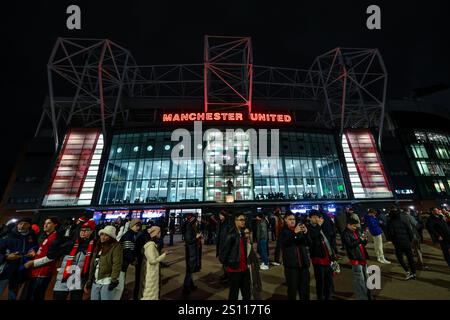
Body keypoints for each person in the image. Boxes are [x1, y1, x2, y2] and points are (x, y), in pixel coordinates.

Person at [53, 219, 96, 300]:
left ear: (92, 232)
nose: (83, 232)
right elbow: (53, 254)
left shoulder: (94, 247)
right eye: (82, 230)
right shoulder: (70, 243)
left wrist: (88, 280)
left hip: (78, 280)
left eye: (87, 230)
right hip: (63, 279)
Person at [0, 217, 38, 300]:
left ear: (29, 225)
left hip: (20, 270)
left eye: (25, 224)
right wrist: (6, 257)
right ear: (17, 225)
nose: (22, 226)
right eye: (20, 224)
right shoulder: (8, 235)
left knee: (13, 292)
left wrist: (33, 250)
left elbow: (35, 246)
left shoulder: (32, 236)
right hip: (6, 269)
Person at [23, 217, 60, 300]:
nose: (45, 225)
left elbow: (51, 257)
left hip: (43, 273)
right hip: (36, 271)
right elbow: (42, 251)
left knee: (36, 296)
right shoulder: (46, 236)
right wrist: (34, 252)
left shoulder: (55, 238)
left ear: (55, 225)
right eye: (45, 223)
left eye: (49, 223)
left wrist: (33, 263)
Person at [84, 225, 123, 300]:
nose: (103, 237)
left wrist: (114, 280)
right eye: (102, 234)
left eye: (106, 235)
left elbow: (117, 264)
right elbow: (93, 263)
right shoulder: (99, 245)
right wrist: (89, 279)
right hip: (96, 280)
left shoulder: (116, 246)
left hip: (107, 280)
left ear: (111, 237)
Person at [279, 211, 311, 300]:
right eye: (290, 219)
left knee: (305, 289)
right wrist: (295, 234)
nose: (292, 221)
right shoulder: (283, 231)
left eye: (293, 219)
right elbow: (285, 243)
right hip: (291, 266)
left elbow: (309, 243)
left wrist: (306, 232)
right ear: (285, 220)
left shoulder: (299, 229)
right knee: (292, 289)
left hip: (303, 264)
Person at [219, 213, 251, 300]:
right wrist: (230, 264)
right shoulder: (231, 235)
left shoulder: (242, 233)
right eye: (241, 220)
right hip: (234, 270)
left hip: (244, 269)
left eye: (244, 220)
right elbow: (222, 255)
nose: (243, 222)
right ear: (235, 221)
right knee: (234, 293)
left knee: (247, 293)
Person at [307, 210, 335, 300]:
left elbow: (328, 239)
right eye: (314, 217)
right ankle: (320, 297)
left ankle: (328, 296)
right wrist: (319, 226)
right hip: (318, 258)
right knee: (320, 281)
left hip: (327, 256)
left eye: (318, 217)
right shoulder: (308, 227)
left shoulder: (322, 227)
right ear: (310, 218)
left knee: (329, 280)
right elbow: (313, 236)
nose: (317, 219)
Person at [342, 218, 372, 300]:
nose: (355, 227)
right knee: (359, 280)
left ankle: (368, 296)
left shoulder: (356, 231)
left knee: (366, 278)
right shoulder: (345, 233)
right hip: (355, 258)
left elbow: (362, 243)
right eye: (353, 226)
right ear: (348, 225)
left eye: (356, 226)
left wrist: (364, 240)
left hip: (362, 257)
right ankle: (362, 297)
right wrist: (360, 240)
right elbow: (350, 245)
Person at [140, 226, 169, 300]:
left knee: (152, 293)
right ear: (156, 234)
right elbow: (152, 261)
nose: (160, 235)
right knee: (149, 294)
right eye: (159, 233)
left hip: (153, 273)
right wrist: (164, 255)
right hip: (150, 274)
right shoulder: (150, 246)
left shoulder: (153, 245)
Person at [387, 209, 416, 280]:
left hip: (398, 243)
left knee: (400, 258)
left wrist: (393, 241)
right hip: (406, 242)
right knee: (410, 258)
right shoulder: (403, 222)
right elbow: (410, 233)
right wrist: (409, 241)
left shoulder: (390, 223)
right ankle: (414, 273)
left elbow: (391, 234)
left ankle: (407, 271)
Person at [117, 218, 141, 299]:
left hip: (123, 262)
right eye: (137, 226)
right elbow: (127, 251)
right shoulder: (129, 235)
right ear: (131, 226)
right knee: (120, 283)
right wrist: (133, 260)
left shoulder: (131, 234)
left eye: (139, 226)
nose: (138, 228)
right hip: (122, 263)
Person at [183, 213, 202, 295]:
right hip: (191, 251)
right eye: (195, 219)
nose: (197, 221)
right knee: (190, 268)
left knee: (190, 268)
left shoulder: (191, 226)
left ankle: (190, 284)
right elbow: (188, 240)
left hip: (193, 250)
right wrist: (196, 237)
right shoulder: (189, 227)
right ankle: (186, 286)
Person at [243, 228, 262, 300]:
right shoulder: (241, 244)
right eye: (245, 233)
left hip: (250, 267)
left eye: (248, 233)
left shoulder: (249, 244)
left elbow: (254, 258)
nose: (247, 235)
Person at [216, 210, 232, 281]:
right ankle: (226, 274)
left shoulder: (228, 223)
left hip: (226, 244)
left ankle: (228, 276)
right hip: (220, 244)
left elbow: (230, 235)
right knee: (223, 260)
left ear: (224, 215)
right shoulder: (219, 223)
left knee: (226, 261)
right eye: (219, 215)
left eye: (221, 215)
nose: (220, 216)